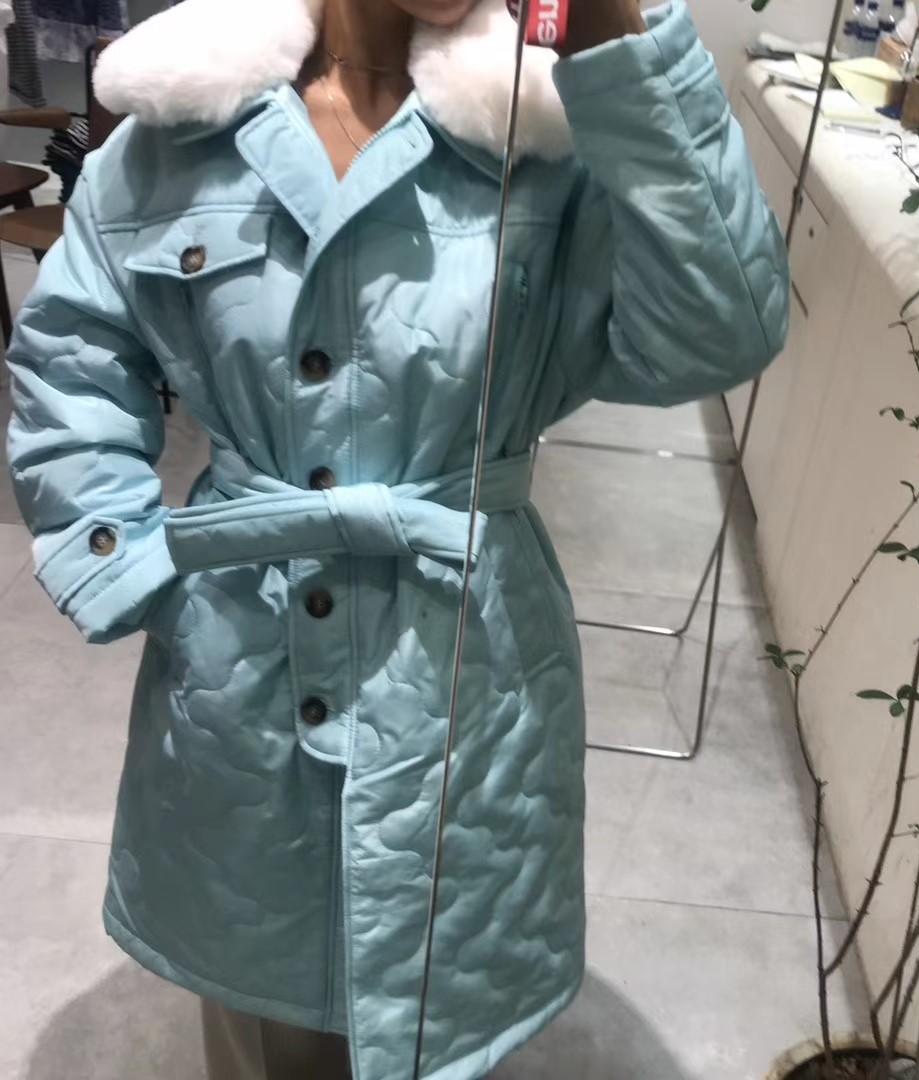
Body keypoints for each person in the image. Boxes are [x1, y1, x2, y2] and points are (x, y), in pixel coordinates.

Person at [5, 0, 790, 1076]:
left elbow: (719, 333)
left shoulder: (542, 136)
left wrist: (617, 30)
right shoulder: (179, 126)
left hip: (466, 666)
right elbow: (73, 354)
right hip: (243, 666)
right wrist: (127, 562)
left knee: (438, 1008)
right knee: (261, 1026)